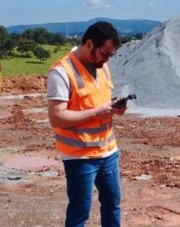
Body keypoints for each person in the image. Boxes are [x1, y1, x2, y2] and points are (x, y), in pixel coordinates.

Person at [46, 21, 125, 227]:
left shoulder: (103, 67)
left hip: (108, 151)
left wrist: (114, 107)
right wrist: (97, 112)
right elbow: (56, 117)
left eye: (110, 55)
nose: (106, 59)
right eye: (104, 53)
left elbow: (98, 100)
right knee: (80, 212)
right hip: (79, 156)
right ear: (89, 44)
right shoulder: (61, 72)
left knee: (112, 204)